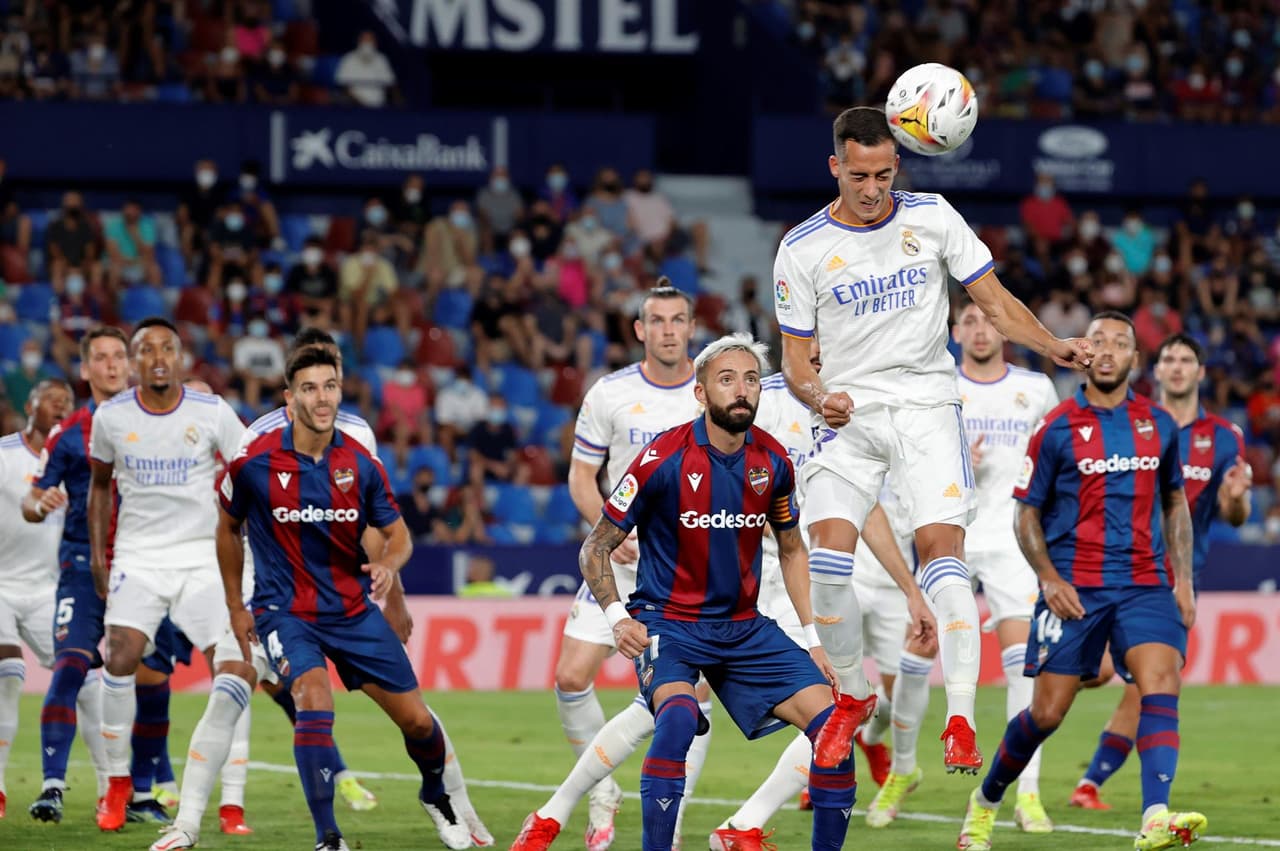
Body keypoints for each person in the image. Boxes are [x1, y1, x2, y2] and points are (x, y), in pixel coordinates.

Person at [773, 106, 1091, 774]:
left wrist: (1054, 345)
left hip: (925, 403)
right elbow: (797, 362)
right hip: (848, 411)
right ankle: (853, 698)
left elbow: (997, 303)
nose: (871, 188)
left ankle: (961, 719)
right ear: (836, 167)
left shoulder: (934, 215)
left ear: (898, 165)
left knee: (943, 552)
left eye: (884, 173)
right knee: (828, 559)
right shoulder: (802, 248)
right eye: (858, 175)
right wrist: (816, 396)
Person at [518, 333, 856, 851]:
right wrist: (618, 618)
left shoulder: (773, 465)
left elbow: (792, 550)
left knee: (834, 733)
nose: (741, 390)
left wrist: (812, 639)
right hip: (668, 622)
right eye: (726, 380)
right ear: (701, 394)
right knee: (675, 720)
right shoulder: (662, 458)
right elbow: (595, 549)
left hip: (743, 627)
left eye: (749, 379)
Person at [957, 312, 1204, 851]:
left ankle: (1155, 816)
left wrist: (1181, 579)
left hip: (1143, 583)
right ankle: (987, 800)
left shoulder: (1158, 425)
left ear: (1137, 359)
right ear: (1084, 353)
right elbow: (1026, 513)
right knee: (1045, 713)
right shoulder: (1056, 428)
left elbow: (1174, 500)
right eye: (1099, 341)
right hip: (1075, 589)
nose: (1110, 349)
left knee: (1159, 683)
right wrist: (1046, 578)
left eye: (1122, 342)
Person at [218, 346, 471, 851]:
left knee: (418, 721)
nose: (322, 397)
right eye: (309, 388)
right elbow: (227, 529)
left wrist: (387, 568)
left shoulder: (361, 464)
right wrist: (235, 605)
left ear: (340, 391)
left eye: (329, 386)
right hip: (285, 611)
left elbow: (398, 536)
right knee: (313, 701)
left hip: (351, 610)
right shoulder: (253, 464)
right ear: (290, 399)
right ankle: (327, 837)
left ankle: (434, 794)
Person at [709, 344, 934, 850]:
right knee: (835, 712)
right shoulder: (758, 400)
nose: (820, 351)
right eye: (808, 342)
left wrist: (911, 590)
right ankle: (738, 824)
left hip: (822, 580)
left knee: (836, 713)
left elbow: (865, 508)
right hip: (768, 578)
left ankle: (742, 825)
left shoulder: (844, 408)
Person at [539, 284, 704, 849]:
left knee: (690, 697)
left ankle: (673, 824)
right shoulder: (609, 393)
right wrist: (609, 533)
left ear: (690, 327)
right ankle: (602, 787)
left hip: (685, 571)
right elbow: (582, 478)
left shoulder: (707, 391)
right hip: (618, 561)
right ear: (639, 330)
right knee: (570, 678)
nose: (666, 330)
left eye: (677, 320)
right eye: (656, 321)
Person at [1069, 332, 1251, 813]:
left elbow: (1236, 513)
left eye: (1185, 359)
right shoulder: (1138, 422)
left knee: (1152, 685)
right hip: (1112, 569)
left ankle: (1094, 785)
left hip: (1171, 582)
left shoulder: (1224, 438)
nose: (1175, 366)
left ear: (1200, 371)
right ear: (1156, 368)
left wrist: (1234, 498)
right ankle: (1041, 740)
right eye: (1168, 357)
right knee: (1093, 675)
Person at [87, 318, 247, 831]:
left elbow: (250, 473)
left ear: (180, 357)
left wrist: (247, 537)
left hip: (201, 556)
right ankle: (117, 782)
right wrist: (98, 555)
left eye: (167, 347)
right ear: (134, 362)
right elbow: (99, 486)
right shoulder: (110, 417)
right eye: (146, 349)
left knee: (233, 664)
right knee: (122, 654)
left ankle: (219, 800)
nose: (157, 356)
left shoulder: (211, 411)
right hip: (139, 556)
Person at [952, 299, 1061, 833]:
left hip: (1014, 542)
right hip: (947, 537)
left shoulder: (1036, 390)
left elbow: (1058, 461)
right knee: (907, 665)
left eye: (987, 318)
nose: (979, 328)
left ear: (1003, 328)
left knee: (1025, 666)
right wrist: (955, 461)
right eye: (968, 320)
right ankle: (897, 767)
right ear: (954, 330)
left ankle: (1029, 793)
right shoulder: (938, 386)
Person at [23, 327, 129, 822]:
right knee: (69, 666)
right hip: (84, 568)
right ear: (86, 370)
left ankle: (141, 790)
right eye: (101, 358)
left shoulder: (152, 425)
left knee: (144, 679)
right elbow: (32, 498)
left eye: (118, 357)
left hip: (141, 569)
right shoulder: (70, 434)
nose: (111, 365)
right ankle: (52, 787)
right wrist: (38, 504)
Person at [0, 379, 72, 817]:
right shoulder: (4, 454)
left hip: (48, 589)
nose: (61, 407)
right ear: (31, 406)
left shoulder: (76, 461)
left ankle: (112, 791)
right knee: (9, 671)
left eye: (68, 402)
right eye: (53, 400)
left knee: (86, 680)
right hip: (0, 585)